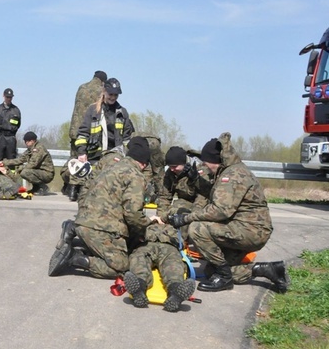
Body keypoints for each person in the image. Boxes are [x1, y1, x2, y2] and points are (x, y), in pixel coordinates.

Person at [168, 133, 289, 293]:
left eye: (205, 162)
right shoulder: (228, 171)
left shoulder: (233, 175)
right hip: (243, 227)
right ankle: (268, 270)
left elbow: (220, 210)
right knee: (212, 270)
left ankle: (224, 279)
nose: (205, 165)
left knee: (197, 229)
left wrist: (186, 218)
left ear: (215, 160)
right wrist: (195, 179)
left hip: (250, 231)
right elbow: (216, 195)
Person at [48, 137, 153, 279]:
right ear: (144, 164)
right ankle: (74, 258)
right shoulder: (135, 176)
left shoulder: (110, 167)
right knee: (122, 267)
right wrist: (146, 227)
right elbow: (133, 213)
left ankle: (74, 231)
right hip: (99, 228)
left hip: (84, 222)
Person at [68, 77, 135, 201]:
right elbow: (82, 133)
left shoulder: (122, 112)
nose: (113, 97)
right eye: (110, 94)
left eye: (116, 95)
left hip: (115, 157)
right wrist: (82, 153)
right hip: (95, 156)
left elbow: (127, 139)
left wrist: (128, 156)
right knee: (90, 191)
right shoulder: (93, 110)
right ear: (104, 91)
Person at [124, 223, 196, 312]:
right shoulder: (144, 222)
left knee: (172, 264)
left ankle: (175, 292)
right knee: (139, 258)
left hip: (169, 245)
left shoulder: (175, 225)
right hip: (146, 244)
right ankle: (139, 288)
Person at [66, 71, 106, 193]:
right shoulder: (101, 91)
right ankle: (80, 189)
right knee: (84, 159)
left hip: (74, 129)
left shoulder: (82, 87)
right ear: (103, 81)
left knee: (74, 159)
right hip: (88, 130)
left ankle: (71, 189)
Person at [156, 146, 210, 219]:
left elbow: (203, 197)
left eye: (174, 166)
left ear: (183, 163)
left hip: (202, 204)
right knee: (174, 209)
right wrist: (161, 217)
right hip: (184, 202)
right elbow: (164, 196)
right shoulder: (170, 172)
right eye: (170, 166)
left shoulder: (200, 170)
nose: (171, 169)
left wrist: (193, 216)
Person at [0, 131, 54, 195]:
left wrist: (20, 169)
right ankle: (36, 188)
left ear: (33, 141)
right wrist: (4, 162)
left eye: (27, 141)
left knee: (25, 172)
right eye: (25, 141)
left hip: (46, 173)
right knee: (25, 171)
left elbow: (33, 164)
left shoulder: (39, 149)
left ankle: (42, 187)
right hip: (38, 172)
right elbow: (20, 160)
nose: (26, 143)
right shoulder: (30, 150)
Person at [0, 88, 21, 163]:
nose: (9, 99)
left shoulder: (16, 110)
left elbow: (18, 125)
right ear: (3, 96)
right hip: (0, 137)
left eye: (10, 97)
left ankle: (11, 175)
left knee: (11, 161)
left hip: (11, 138)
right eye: (7, 97)